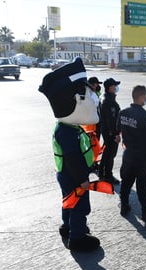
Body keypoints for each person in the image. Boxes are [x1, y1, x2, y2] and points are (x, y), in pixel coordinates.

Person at [38, 58, 101, 252]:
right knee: (79, 206)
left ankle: (68, 226)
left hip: (66, 173)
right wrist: (83, 178)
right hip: (73, 175)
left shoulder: (67, 126)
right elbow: (73, 157)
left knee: (69, 201)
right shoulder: (67, 131)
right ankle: (78, 237)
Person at [117, 85, 146, 221]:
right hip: (142, 157)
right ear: (141, 97)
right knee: (142, 185)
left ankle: (124, 205)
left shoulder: (123, 112)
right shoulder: (145, 116)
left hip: (128, 154)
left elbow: (117, 129)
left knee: (126, 182)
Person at [98, 78, 121, 184]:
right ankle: (108, 175)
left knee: (107, 152)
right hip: (110, 131)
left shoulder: (104, 97)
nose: (116, 88)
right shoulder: (109, 101)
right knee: (110, 154)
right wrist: (115, 134)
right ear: (109, 87)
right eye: (114, 86)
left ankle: (102, 173)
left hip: (105, 130)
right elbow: (111, 119)